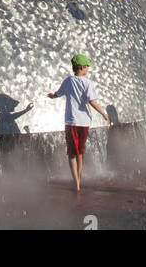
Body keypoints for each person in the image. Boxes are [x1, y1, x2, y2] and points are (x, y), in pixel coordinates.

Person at [47, 53, 111, 192]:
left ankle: (76, 182)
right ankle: (79, 179)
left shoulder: (68, 81)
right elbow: (92, 101)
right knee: (80, 152)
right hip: (84, 122)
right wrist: (103, 113)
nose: (88, 69)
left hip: (71, 121)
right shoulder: (88, 83)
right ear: (82, 67)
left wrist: (52, 96)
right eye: (87, 66)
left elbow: (58, 94)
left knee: (71, 153)